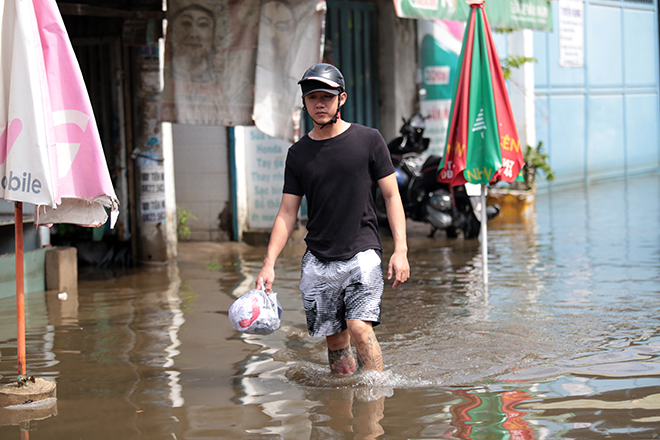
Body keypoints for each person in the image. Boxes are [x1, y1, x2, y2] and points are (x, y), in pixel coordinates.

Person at [256, 63, 410, 374]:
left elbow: (392, 196)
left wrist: (401, 250)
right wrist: (269, 263)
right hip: (318, 258)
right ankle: (343, 401)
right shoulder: (298, 154)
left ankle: (374, 401)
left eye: (327, 96)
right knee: (336, 340)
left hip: (362, 250)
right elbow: (287, 212)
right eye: (313, 97)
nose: (320, 103)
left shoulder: (369, 140)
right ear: (305, 102)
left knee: (358, 327)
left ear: (342, 99)